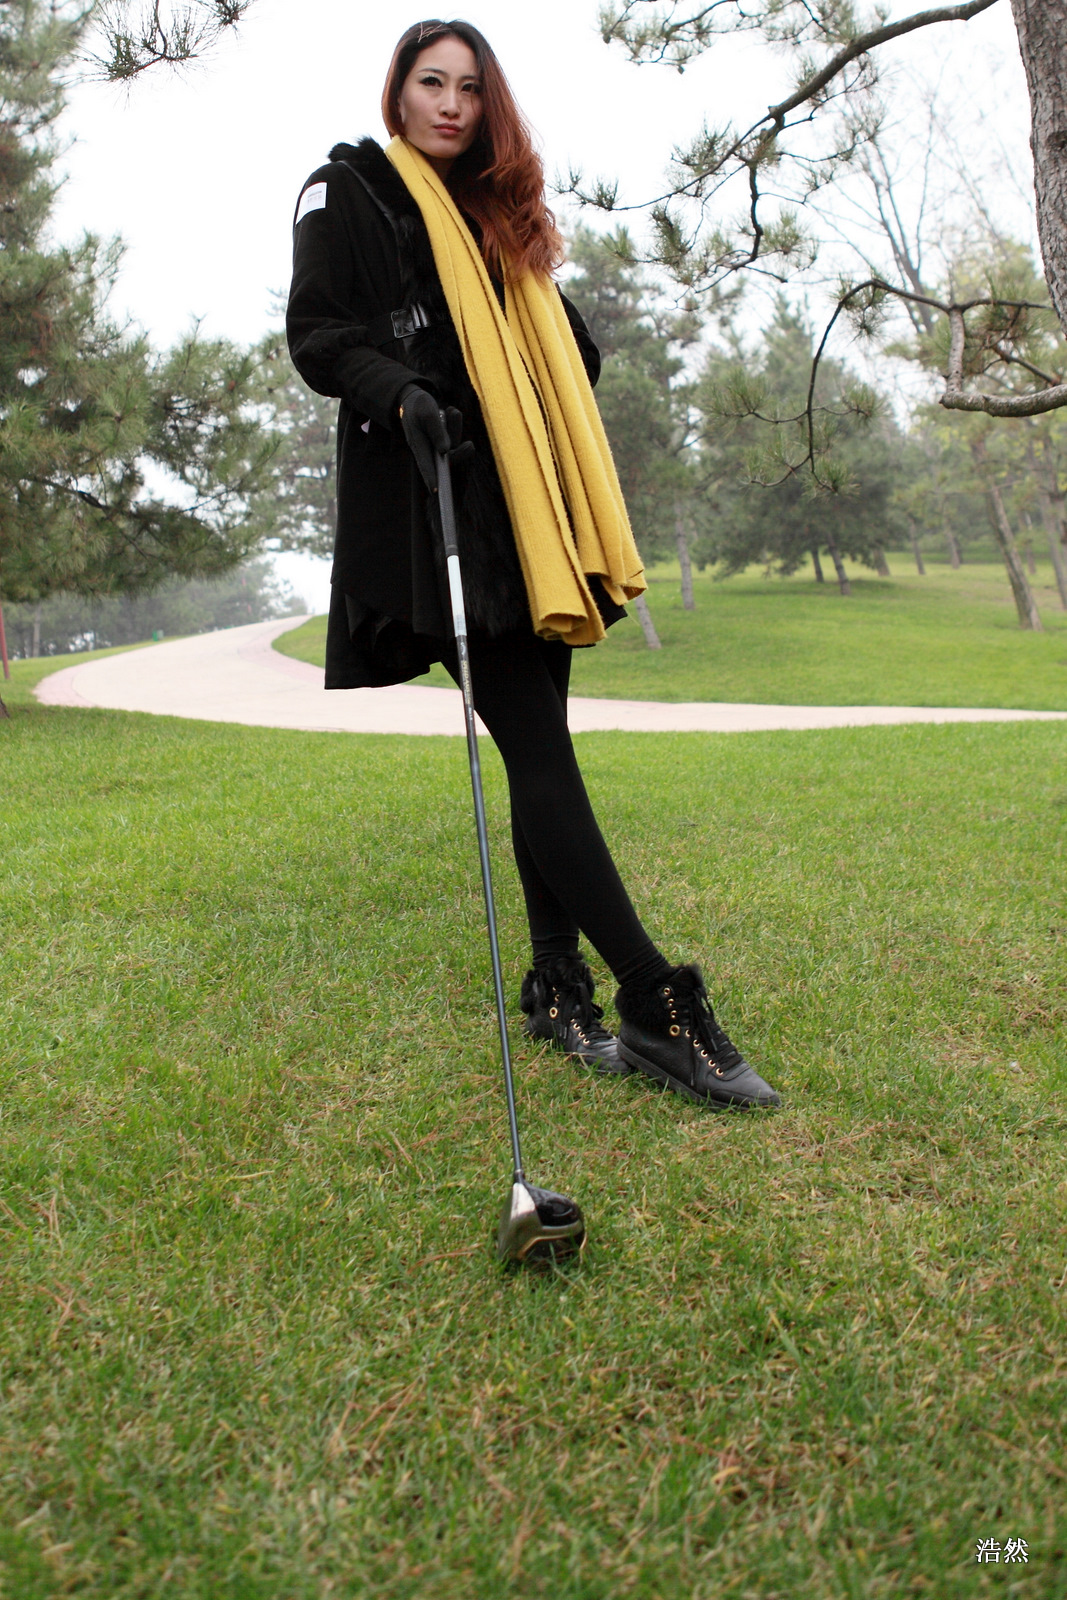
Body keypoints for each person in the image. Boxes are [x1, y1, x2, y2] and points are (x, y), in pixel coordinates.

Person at [286, 18, 780, 1110]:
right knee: (540, 749)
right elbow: (318, 336)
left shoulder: (495, 214)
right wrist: (404, 392)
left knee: (536, 748)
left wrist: (539, 376)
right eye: (431, 83)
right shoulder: (348, 190)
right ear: (397, 92)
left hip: (527, 510)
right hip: (434, 509)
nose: (450, 104)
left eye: (469, 88)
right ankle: (651, 997)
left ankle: (557, 983)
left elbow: (568, 344)